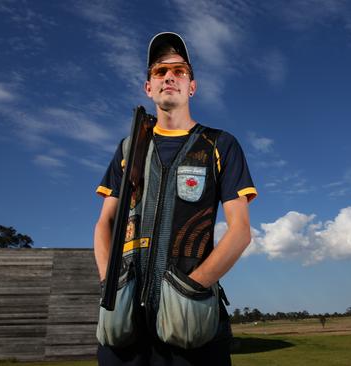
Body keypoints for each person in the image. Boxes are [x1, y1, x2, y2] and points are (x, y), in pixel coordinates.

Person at [93, 32, 257, 365]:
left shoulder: (218, 145)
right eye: (159, 71)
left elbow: (240, 231)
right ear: (148, 87)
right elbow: (104, 223)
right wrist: (110, 282)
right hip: (124, 327)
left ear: (191, 87)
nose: (170, 76)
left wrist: (192, 287)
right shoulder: (128, 149)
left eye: (180, 71)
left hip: (190, 322)